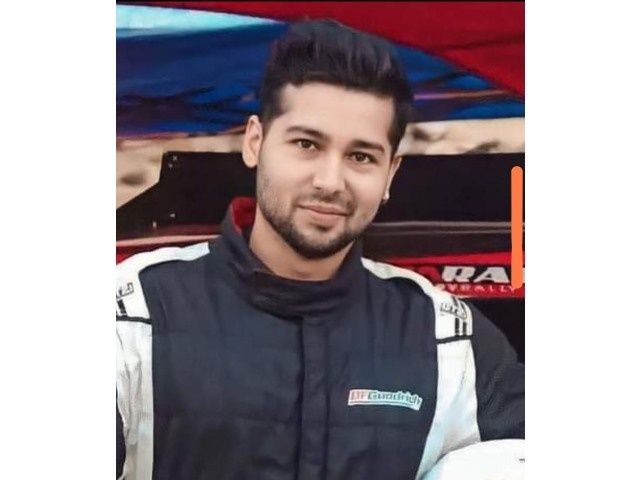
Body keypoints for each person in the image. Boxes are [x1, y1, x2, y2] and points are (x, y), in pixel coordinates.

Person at [116, 19, 524, 480]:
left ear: (390, 173)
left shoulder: (448, 335)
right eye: (307, 144)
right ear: (255, 143)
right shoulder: (134, 312)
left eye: (361, 157)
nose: (330, 181)